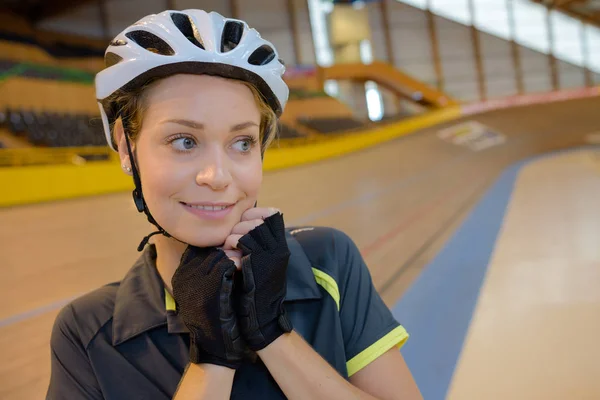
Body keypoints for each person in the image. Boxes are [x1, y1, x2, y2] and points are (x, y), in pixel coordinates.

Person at [46, 9, 423, 400]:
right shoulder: (90, 331)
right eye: (184, 141)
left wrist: (274, 335)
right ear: (127, 147)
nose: (218, 175)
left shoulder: (327, 263)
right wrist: (210, 357)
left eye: (242, 143)